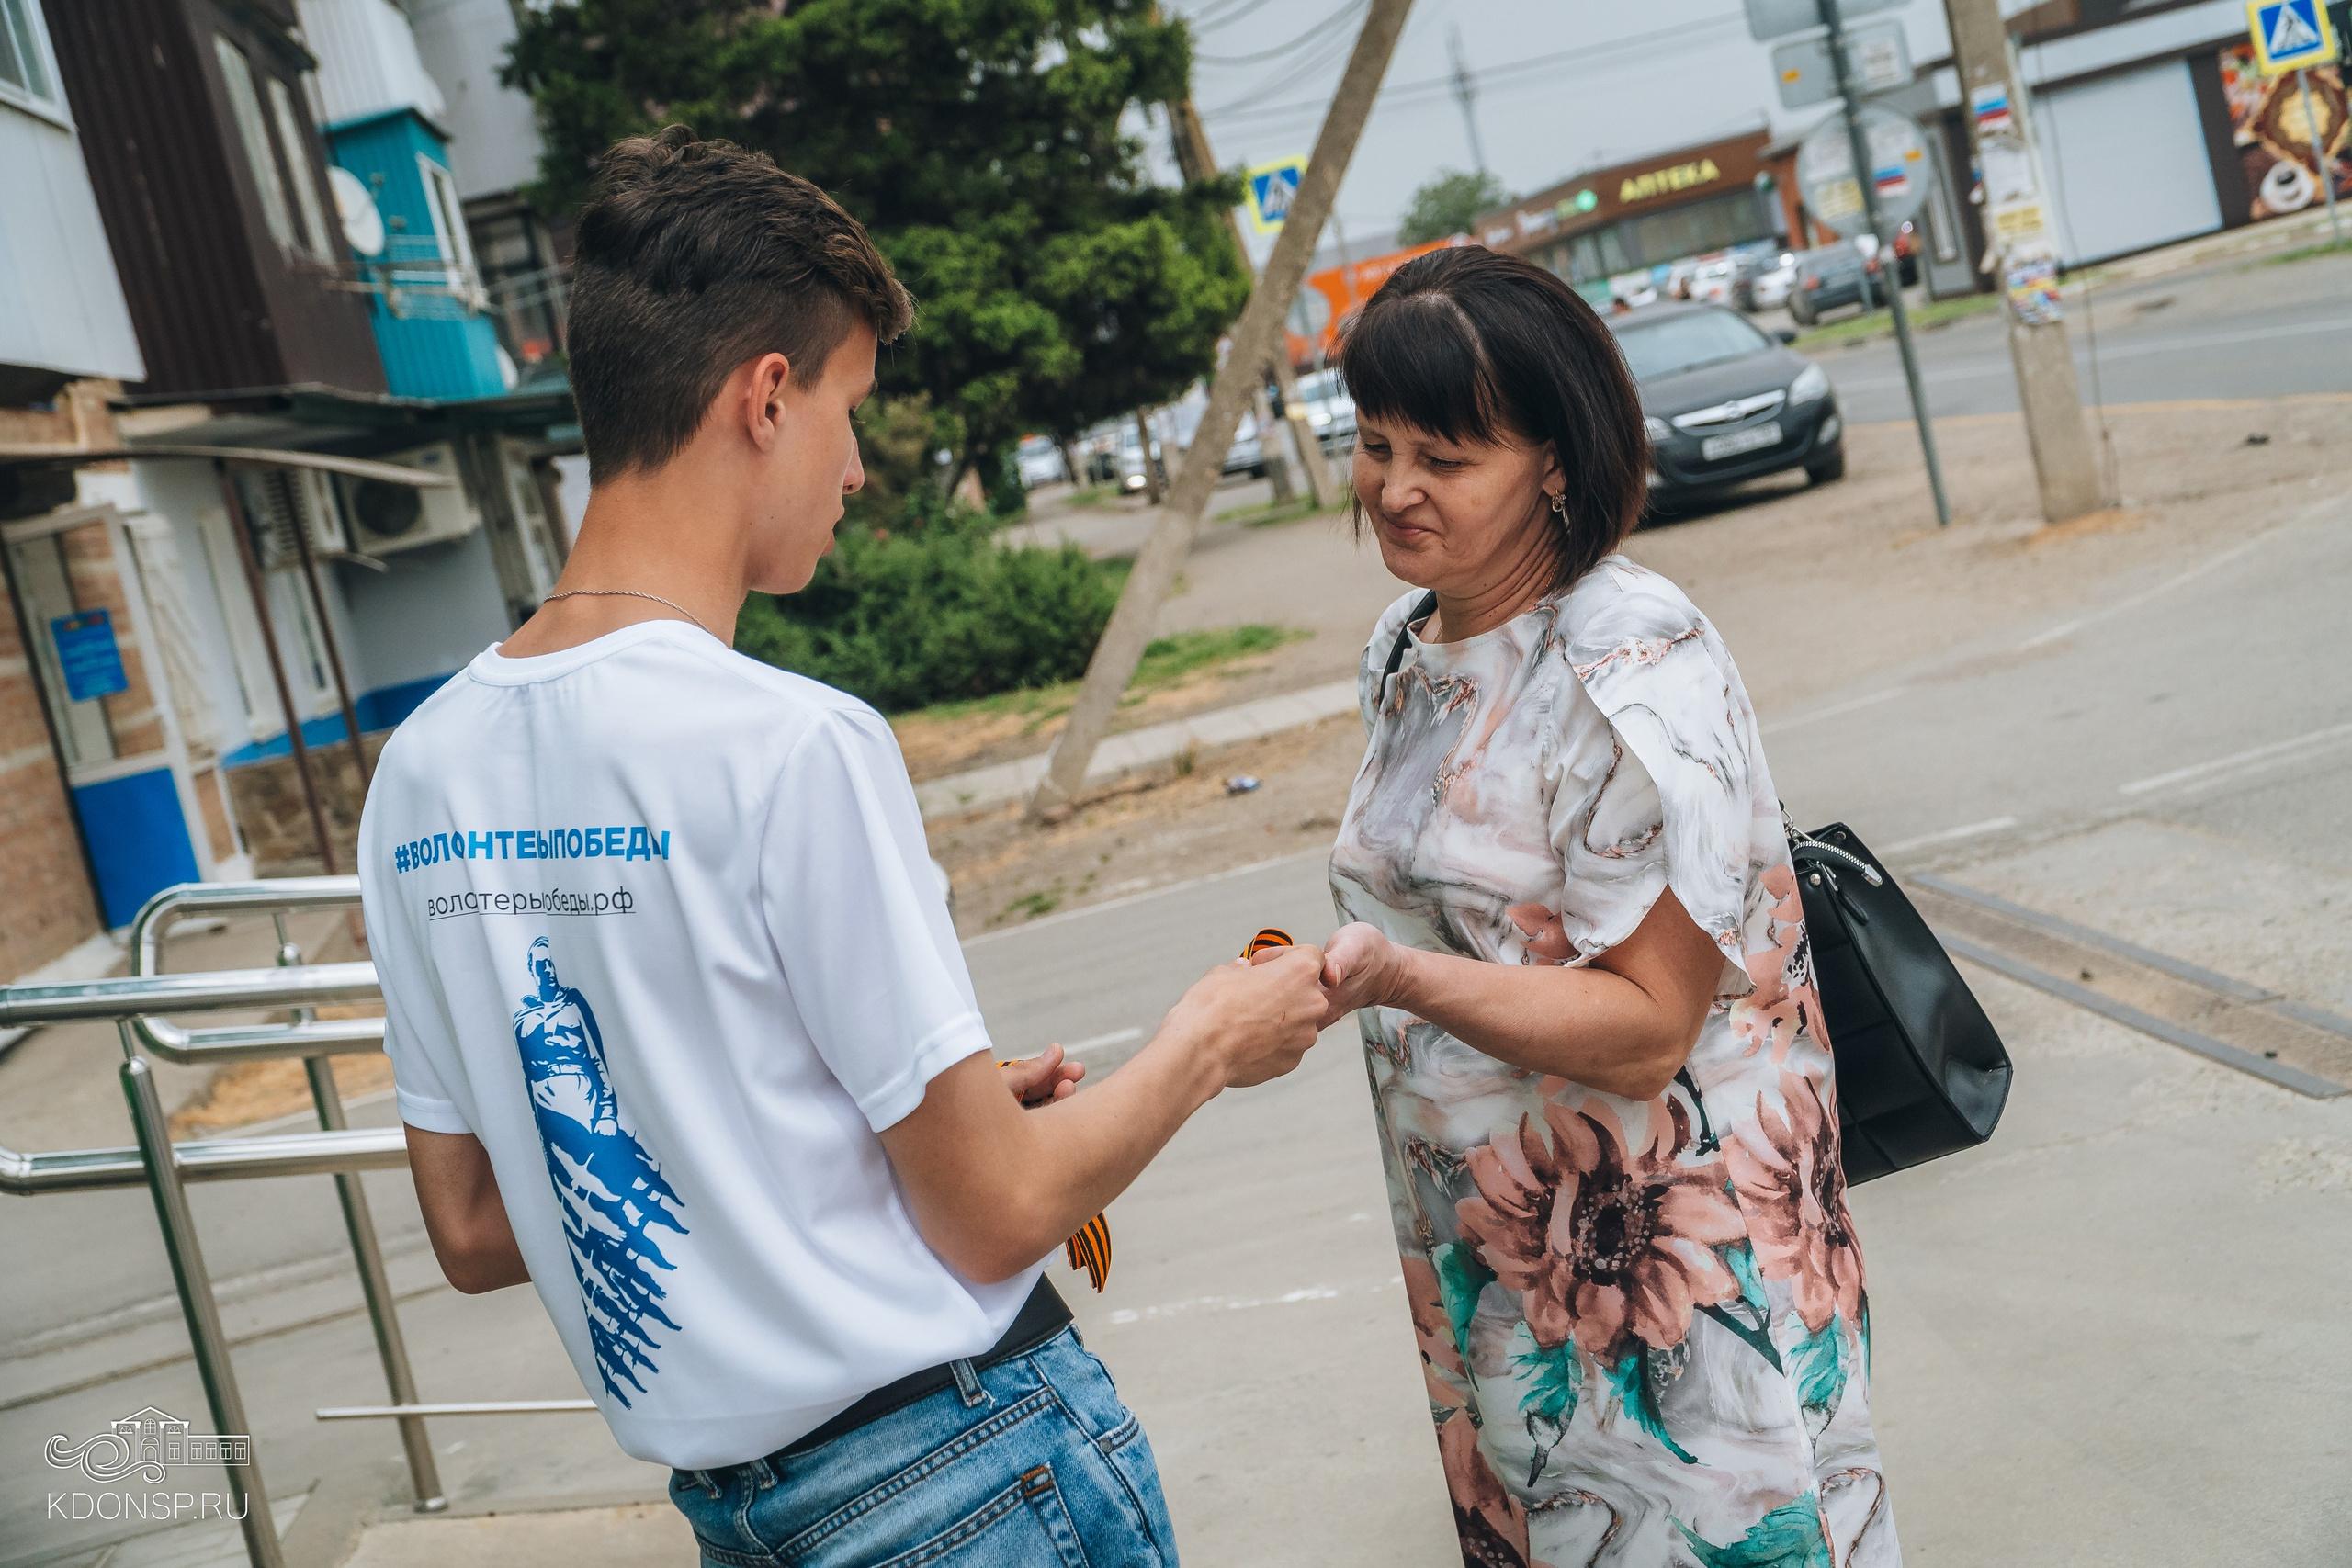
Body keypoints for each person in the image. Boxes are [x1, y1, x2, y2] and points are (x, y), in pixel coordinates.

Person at [356, 127, 1329, 1568]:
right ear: (765, 398)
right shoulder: (793, 743)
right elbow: (999, 1214)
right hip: (967, 1476)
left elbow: (481, 1226)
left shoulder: (419, 776)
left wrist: (825, 1126)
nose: (858, 468)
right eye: (850, 409)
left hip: (744, 1520)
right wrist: (1207, 1040)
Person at [1312, 247, 1898, 1567]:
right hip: (1500, 1255)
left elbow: (1647, 1028)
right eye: (1373, 443)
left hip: (1675, 1270)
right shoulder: (1406, 645)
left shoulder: (1630, 661)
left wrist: (1394, 981)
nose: (1395, 489)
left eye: (1444, 459)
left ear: (1557, 463)